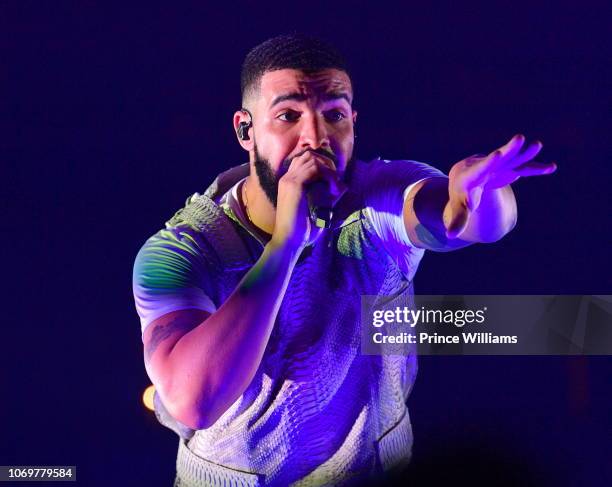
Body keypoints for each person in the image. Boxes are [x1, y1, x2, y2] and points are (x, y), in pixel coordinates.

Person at [132, 35, 556, 486]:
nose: (314, 138)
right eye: (288, 116)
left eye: (333, 115)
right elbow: (192, 401)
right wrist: (285, 246)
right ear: (245, 130)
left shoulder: (377, 196)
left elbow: (477, 222)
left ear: (353, 122)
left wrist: (477, 196)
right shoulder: (183, 251)